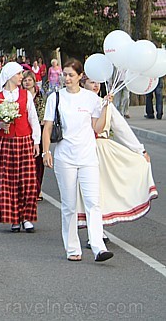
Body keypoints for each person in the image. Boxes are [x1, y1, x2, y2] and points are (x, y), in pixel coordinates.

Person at [41, 59, 114, 262]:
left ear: (80, 76)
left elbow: (96, 128)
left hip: (88, 156)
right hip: (65, 157)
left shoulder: (91, 98)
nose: (67, 78)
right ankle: (72, 248)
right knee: (69, 205)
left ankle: (98, 246)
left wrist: (106, 106)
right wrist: (45, 151)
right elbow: (47, 127)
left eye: (71, 75)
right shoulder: (55, 98)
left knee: (93, 203)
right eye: (65, 74)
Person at [80, 78, 157, 237]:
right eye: (91, 81)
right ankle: (92, 231)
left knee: (101, 190)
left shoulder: (106, 104)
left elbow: (122, 128)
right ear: (83, 83)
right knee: (86, 192)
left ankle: (97, 230)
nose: (95, 85)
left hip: (102, 150)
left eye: (98, 82)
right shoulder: (78, 103)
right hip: (83, 150)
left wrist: (140, 150)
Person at [0, 62, 41, 233]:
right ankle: (13, 218)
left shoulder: (26, 96)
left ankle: (26, 217)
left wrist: (36, 141)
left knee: (27, 182)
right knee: (7, 182)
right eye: (18, 74)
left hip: (24, 140)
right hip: (5, 143)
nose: (21, 77)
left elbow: (33, 119)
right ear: (9, 75)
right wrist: (0, 124)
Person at [22, 70, 46, 201]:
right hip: (25, 128)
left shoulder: (39, 95)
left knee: (38, 161)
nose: (27, 82)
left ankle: (38, 188)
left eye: (29, 80)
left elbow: (42, 111)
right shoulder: (20, 95)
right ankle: (29, 188)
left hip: (38, 128)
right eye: (25, 80)